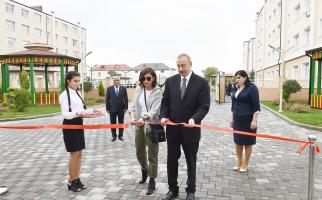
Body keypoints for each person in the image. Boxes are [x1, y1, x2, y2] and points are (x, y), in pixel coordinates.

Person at [160, 54, 210, 200]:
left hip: (191, 130)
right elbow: (165, 103)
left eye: (183, 65)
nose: (180, 69)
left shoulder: (201, 82)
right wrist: (163, 116)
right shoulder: (170, 81)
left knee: (191, 161)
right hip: (173, 130)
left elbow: (204, 105)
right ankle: (172, 189)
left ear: (190, 64)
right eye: (178, 66)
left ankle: (191, 191)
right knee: (171, 161)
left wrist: (195, 118)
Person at [59, 71, 102, 192]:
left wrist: (94, 110)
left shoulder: (78, 93)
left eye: (78, 81)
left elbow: (82, 109)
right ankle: (71, 181)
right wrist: (77, 113)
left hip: (78, 123)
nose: (77, 83)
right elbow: (66, 114)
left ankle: (77, 179)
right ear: (68, 81)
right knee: (73, 154)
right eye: (75, 81)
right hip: (69, 125)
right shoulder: (64, 95)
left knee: (79, 153)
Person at [129, 67, 163, 195]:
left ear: (153, 78)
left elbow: (154, 110)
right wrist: (134, 118)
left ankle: (152, 180)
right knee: (139, 152)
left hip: (152, 124)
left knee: (152, 154)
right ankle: (144, 169)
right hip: (139, 124)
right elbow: (132, 105)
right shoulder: (139, 89)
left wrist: (144, 117)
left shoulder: (157, 92)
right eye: (143, 78)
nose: (145, 81)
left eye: (148, 78)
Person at [230, 70, 260, 173]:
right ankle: (239, 162)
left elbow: (256, 106)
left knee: (247, 143)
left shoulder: (252, 88)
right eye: (236, 78)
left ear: (245, 78)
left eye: (239, 77)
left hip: (248, 120)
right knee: (237, 142)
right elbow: (233, 106)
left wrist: (254, 121)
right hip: (237, 120)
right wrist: (232, 119)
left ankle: (245, 163)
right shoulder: (235, 89)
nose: (237, 79)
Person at [106, 77, 128, 141]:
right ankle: (113, 135)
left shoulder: (123, 88)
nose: (116, 81)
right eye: (115, 80)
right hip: (112, 109)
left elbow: (126, 98)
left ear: (119, 81)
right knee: (113, 123)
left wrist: (126, 107)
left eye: (117, 80)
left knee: (121, 122)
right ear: (113, 81)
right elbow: (107, 99)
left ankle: (120, 135)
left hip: (121, 109)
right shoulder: (109, 88)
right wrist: (107, 108)